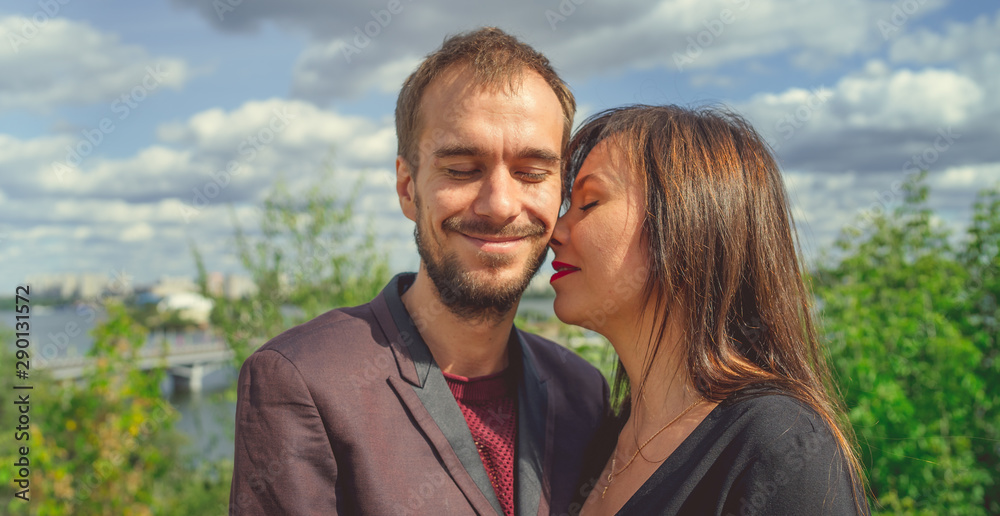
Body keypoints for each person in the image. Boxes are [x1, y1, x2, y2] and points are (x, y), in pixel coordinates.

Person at [229, 28, 611, 515]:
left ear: (559, 191)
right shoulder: (303, 380)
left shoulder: (582, 391)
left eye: (531, 173)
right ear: (408, 189)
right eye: (460, 168)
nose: (499, 205)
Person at [548, 105, 870, 515]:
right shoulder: (600, 440)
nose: (555, 232)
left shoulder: (776, 445)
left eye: (588, 203)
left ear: (686, 222)